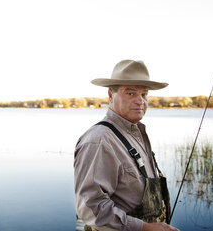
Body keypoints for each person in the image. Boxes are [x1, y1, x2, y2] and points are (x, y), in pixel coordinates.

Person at [74, 60, 179, 231]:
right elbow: (90, 209)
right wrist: (145, 228)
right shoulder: (99, 141)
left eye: (144, 94)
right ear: (110, 95)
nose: (140, 101)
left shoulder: (135, 133)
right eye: (131, 93)